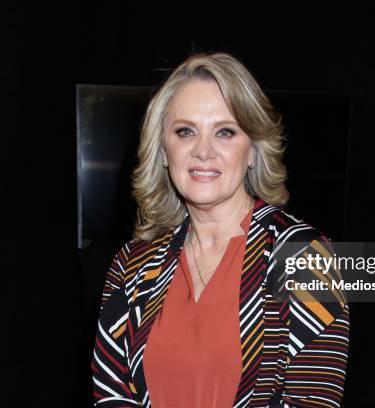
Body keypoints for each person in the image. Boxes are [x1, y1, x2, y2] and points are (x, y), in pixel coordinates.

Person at [91, 52, 349, 408]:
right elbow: (111, 395)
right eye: (185, 131)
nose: (203, 151)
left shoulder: (304, 256)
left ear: (254, 150)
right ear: (164, 150)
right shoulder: (131, 265)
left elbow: (314, 400)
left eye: (225, 132)